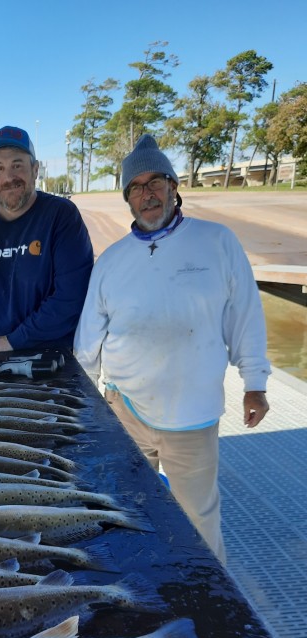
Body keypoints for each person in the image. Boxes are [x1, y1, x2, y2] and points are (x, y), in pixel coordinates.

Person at [74, 134, 271, 563]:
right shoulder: (111, 261)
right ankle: (139, 593)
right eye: (136, 187)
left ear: (174, 186)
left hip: (192, 417)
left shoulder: (218, 243)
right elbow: (87, 342)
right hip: (125, 408)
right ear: (127, 199)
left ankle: (213, 606)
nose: (147, 194)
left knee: (199, 522)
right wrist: (84, 407)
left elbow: (245, 317)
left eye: (156, 182)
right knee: (125, 514)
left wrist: (255, 383)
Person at [0, 125, 94, 354]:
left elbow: (70, 298)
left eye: (17, 165)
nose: (8, 177)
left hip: (47, 361)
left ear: (35, 169)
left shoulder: (61, 217)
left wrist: (13, 341)